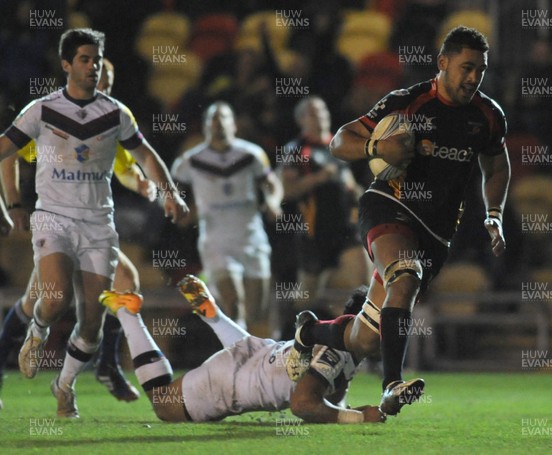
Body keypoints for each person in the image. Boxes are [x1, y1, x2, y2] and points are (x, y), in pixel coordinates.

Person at [289, 26, 510, 416]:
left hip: (437, 235)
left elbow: (496, 166)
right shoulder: (409, 102)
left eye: (481, 70)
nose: (474, 77)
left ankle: (308, 331)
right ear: (443, 64)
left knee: (367, 339)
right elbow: (342, 139)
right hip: (388, 207)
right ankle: (392, 385)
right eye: (467, 67)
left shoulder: (488, 116)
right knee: (405, 274)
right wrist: (376, 146)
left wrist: (495, 215)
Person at [0, 28, 188, 418]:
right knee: (53, 300)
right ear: (67, 64)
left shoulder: (116, 113)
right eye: (84, 60)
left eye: (96, 61)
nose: (92, 67)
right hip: (54, 218)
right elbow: (4, 150)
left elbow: (146, 156)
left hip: (99, 225)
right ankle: (36, 333)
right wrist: (11, 204)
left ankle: (64, 385)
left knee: (92, 323)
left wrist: (168, 192)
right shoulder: (42, 110)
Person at [100, 275, 385, 424]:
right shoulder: (336, 353)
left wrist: (367, 413)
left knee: (261, 357)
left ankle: (214, 316)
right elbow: (303, 405)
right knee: (162, 404)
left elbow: (330, 407)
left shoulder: (343, 346)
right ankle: (128, 313)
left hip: (257, 351)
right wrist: (357, 418)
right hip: (234, 381)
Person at [171, 101, 282, 336]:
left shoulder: (251, 154)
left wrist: (272, 202)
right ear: (205, 126)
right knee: (233, 303)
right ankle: (239, 358)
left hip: (251, 237)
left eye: (224, 118)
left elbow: (272, 183)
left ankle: (257, 355)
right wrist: (179, 209)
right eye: (213, 118)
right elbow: (171, 191)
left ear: (234, 125)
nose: (218, 123)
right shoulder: (190, 161)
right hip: (216, 240)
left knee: (257, 311)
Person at [275, 96, 368, 334]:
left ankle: (358, 341)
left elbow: (349, 185)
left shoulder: (337, 147)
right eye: (314, 113)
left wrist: (361, 194)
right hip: (314, 231)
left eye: (323, 111)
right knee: (308, 296)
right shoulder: (296, 149)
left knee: (363, 281)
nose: (321, 117)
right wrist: (319, 178)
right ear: (301, 119)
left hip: (345, 229)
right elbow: (286, 190)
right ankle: (287, 336)